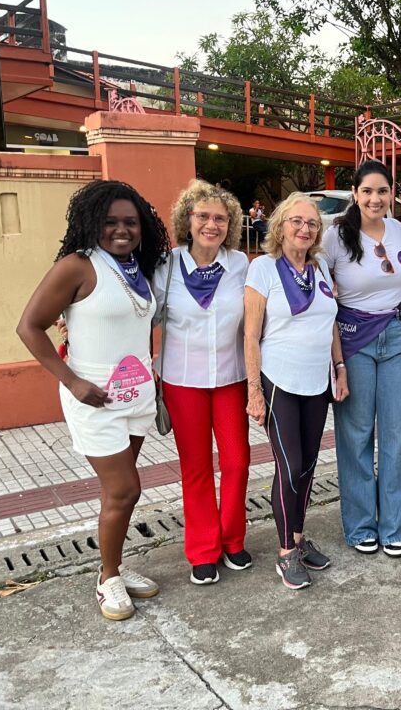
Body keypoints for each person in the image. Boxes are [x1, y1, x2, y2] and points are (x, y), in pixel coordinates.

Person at [17, 180, 169, 621]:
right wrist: (72, 382)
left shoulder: (137, 267)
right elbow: (29, 327)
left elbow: (136, 327)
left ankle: (113, 565)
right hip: (94, 397)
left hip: (137, 394)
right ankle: (107, 578)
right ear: (91, 223)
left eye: (130, 222)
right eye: (110, 222)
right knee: (125, 489)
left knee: (117, 493)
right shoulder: (77, 266)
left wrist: (152, 376)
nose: (121, 230)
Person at [244, 194, 348, 590]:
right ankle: (286, 551)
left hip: (316, 382)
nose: (305, 229)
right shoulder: (263, 269)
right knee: (288, 468)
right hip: (279, 381)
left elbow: (330, 322)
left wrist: (339, 368)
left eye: (312, 223)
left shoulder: (319, 268)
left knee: (307, 465)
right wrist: (254, 391)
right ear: (280, 225)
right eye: (297, 221)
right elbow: (251, 335)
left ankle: (299, 539)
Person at [154, 180, 251, 585]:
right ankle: (202, 550)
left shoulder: (240, 264)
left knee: (237, 462)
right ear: (187, 220)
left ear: (231, 225)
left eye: (221, 219)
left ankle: (232, 539)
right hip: (182, 381)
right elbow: (143, 313)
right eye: (203, 216)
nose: (212, 225)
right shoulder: (166, 266)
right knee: (195, 468)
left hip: (231, 378)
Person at [322, 160, 401, 557]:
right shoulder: (335, 237)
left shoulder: (399, 231)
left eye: (382, 191)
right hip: (353, 339)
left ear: (392, 193)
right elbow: (319, 293)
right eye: (367, 191)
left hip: (396, 336)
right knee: (356, 434)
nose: (375, 199)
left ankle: (395, 525)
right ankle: (361, 525)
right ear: (355, 194)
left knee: (398, 434)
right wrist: (336, 361)